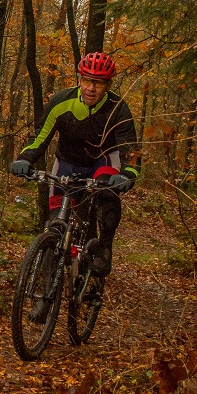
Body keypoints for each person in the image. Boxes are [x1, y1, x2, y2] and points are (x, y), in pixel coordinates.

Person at [10, 52, 140, 278]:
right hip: (68, 162)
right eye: (87, 80)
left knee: (107, 193)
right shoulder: (61, 102)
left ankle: (104, 246)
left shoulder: (118, 109)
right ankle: (52, 274)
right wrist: (24, 159)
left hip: (103, 160)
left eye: (98, 83)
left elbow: (130, 149)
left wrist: (128, 174)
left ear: (107, 85)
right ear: (79, 80)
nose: (91, 88)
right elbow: (40, 137)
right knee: (55, 220)